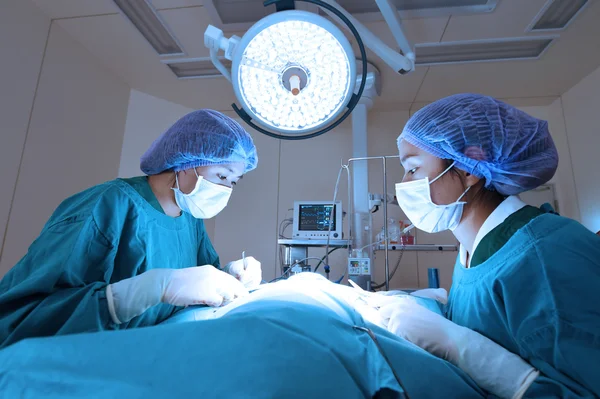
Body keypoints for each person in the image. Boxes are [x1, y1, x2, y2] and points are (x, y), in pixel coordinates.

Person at [379, 94, 600, 398]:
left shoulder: (547, 256)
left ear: (469, 169)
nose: (403, 183)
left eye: (414, 169)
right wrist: (426, 308)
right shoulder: (473, 250)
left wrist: (472, 355)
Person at [0, 109, 261, 349]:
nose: (226, 189)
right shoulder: (107, 205)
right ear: (186, 162)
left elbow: (196, 285)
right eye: (222, 176)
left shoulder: (190, 219)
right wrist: (149, 289)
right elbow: (18, 319)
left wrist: (229, 276)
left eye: (234, 182)